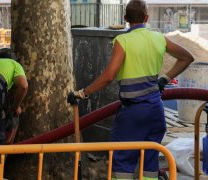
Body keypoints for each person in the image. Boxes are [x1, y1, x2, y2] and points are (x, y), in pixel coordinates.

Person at [67, 0, 194, 179]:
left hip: (132, 113)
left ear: (125, 18)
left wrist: (82, 93)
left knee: (122, 161)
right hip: (156, 111)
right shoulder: (159, 38)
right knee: (149, 160)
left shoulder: (123, 40)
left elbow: (108, 76)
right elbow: (187, 57)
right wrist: (164, 79)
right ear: (147, 18)